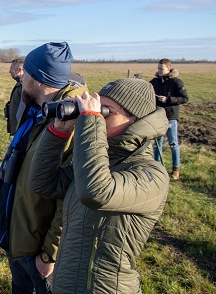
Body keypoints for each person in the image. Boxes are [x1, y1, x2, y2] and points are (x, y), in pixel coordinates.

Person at [29, 78, 170, 293]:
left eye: (106, 111)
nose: (99, 117)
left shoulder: (151, 174)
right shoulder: (97, 161)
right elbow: (43, 183)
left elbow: (96, 192)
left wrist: (90, 121)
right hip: (65, 284)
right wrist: (60, 132)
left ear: (135, 120)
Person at [0, 41, 87, 294]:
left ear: (40, 79)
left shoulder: (70, 123)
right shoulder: (40, 112)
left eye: (26, 74)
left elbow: (71, 197)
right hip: (22, 238)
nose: (21, 79)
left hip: (40, 253)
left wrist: (50, 254)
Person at [150, 58, 189, 180]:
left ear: (168, 68)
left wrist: (168, 99)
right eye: (158, 68)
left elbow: (185, 98)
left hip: (171, 117)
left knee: (173, 144)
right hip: (158, 117)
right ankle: (158, 169)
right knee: (157, 144)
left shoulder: (176, 82)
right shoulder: (154, 82)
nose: (159, 71)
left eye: (161, 69)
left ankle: (175, 170)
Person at [5, 59, 24, 135]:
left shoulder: (24, 87)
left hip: (20, 131)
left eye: (11, 68)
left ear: (19, 70)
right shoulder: (20, 84)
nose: (9, 71)